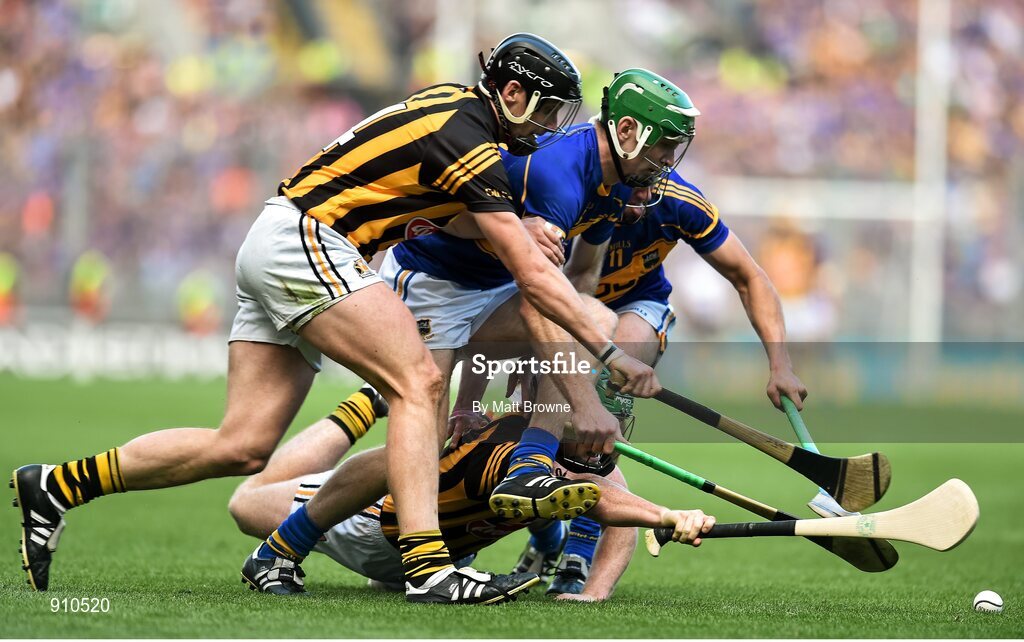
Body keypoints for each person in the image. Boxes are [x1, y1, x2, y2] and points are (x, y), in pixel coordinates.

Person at [13, 34, 649, 605]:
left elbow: (436, 208)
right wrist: (610, 353)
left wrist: (512, 223)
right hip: (311, 240)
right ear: (511, 94)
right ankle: (428, 569)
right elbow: (535, 277)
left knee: (242, 444)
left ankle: (59, 484)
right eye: (544, 111)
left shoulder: (454, 110)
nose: (547, 128)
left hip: (276, 237)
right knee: (419, 383)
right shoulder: (471, 138)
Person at [239, 67, 683, 596]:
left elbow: (573, 286)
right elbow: (537, 284)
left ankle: (527, 473)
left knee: (588, 321)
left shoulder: (612, 186)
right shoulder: (560, 171)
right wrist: (591, 386)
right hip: (433, 283)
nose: (668, 164)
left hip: (491, 292)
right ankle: (293, 540)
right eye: (665, 147)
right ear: (630, 132)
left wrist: (555, 367)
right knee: (420, 433)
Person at [228, 384, 715, 601]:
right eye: (595, 424)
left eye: (613, 424)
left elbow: (612, 508)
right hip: (369, 524)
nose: (608, 437)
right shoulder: (514, 450)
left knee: (567, 504)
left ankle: (548, 550)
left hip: (428, 557)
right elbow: (596, 496)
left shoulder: (576, 454)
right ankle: (360, 408)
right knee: (247, 501)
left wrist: (594, 595)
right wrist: (666, 514)